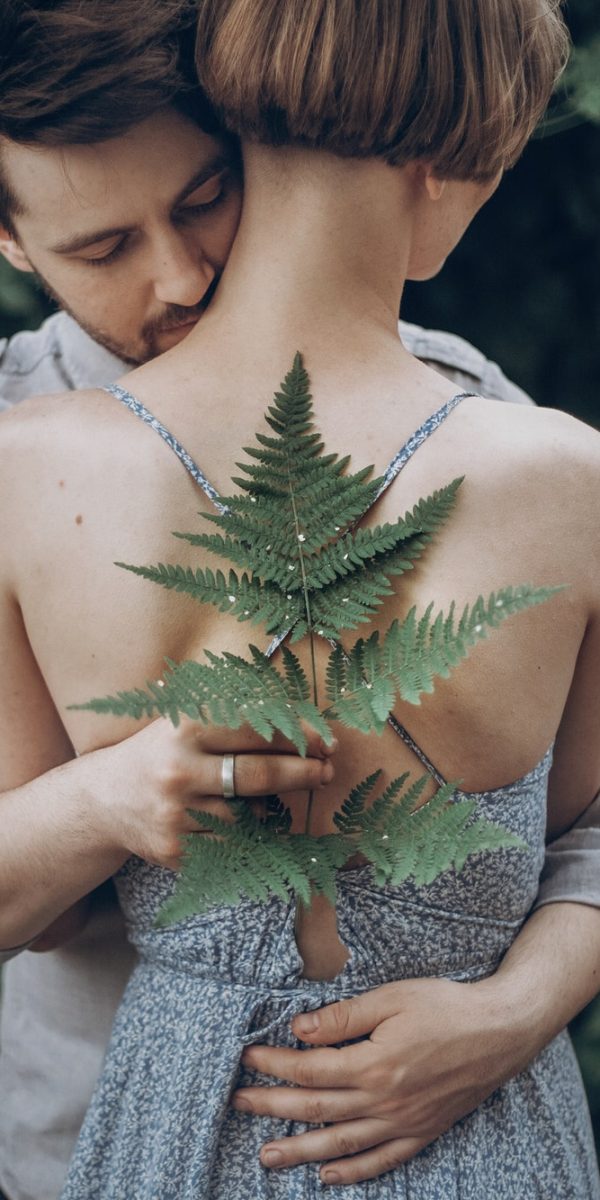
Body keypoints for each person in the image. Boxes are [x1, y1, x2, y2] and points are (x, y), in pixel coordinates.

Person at [0, 1, 599, 1197]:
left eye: (200, 202)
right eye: (104, 247)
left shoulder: (28, 472)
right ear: (452, 169)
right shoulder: (566, 477)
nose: (177, 274)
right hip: (465, 1149)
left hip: (169, 1126)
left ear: (237, 135)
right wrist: (103, 797)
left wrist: (524, 1006)